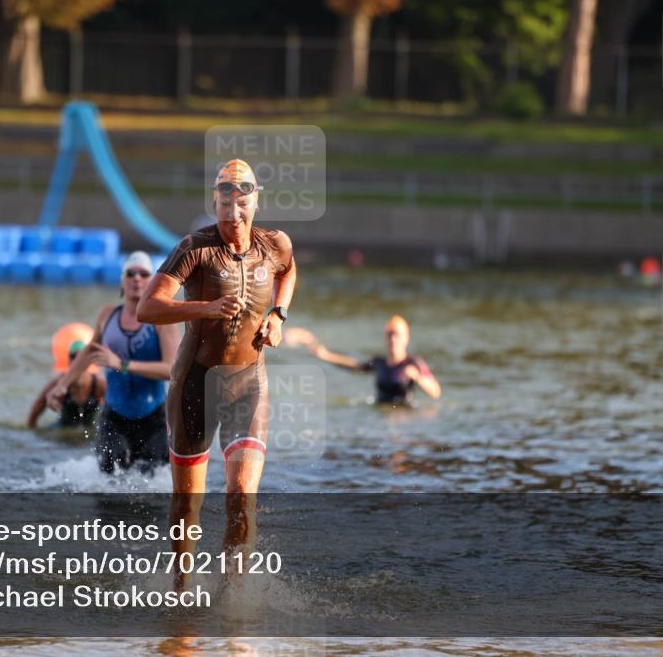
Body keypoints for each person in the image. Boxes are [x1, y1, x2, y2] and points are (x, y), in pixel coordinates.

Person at [137, 158, 297, 585]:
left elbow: (289, 270)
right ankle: (181, 588)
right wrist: (205, 308)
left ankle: (234, 599)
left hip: (249, 383)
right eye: (225, 196)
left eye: (242, 196)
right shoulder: (195, 248)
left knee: (240, 497)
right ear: (216, 201)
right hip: (195, 383)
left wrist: (278, 315)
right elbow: (147, 308)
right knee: (188, 504)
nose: (234, 206)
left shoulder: (275, 244)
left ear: (255, 201)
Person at [47, 251, 180, 474]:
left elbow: (172, 370)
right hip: (114, 417)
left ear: (152, 282)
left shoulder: (162, 320)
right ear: (122, 280)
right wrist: (61, 386)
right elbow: (89, 351)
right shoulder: (107, 316)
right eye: (131, 273)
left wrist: (122, 364)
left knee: (154, 484)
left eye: (143, 273)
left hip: (154, 417)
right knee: (108, 478)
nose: (136, 278)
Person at [286, 315, 441, 405]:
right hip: (381, 412)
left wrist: (418, 378)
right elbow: (354, 365)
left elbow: (436, 392)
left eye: (397, 335)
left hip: (404, 414)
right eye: (389, 334)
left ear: (406, 338)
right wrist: (326, 355)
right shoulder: (380, 363)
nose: (393, 339)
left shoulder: (413, 363)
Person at [26, 339, 104, 429]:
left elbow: (113, 406)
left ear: (88, 361)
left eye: (81, 357)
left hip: (88, 431)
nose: (77, 361)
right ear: (69, 359)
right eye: (73, 356)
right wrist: (32, 431)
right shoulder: (60, 382)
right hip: (63, 431)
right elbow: (38, 406)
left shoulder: (97, 384)